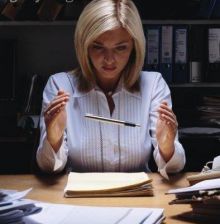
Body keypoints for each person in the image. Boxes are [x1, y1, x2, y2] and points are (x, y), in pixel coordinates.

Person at [36, 0, 185, 178]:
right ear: (84, 45)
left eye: (121, 48)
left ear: (134, 48)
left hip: (138, 196)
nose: (109, 60)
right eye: (98, 47)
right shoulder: (59, 85)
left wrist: (167, 144)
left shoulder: (153, 84)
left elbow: (173, 168)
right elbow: (48, 168)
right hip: (78, 198)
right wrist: (53, 138)